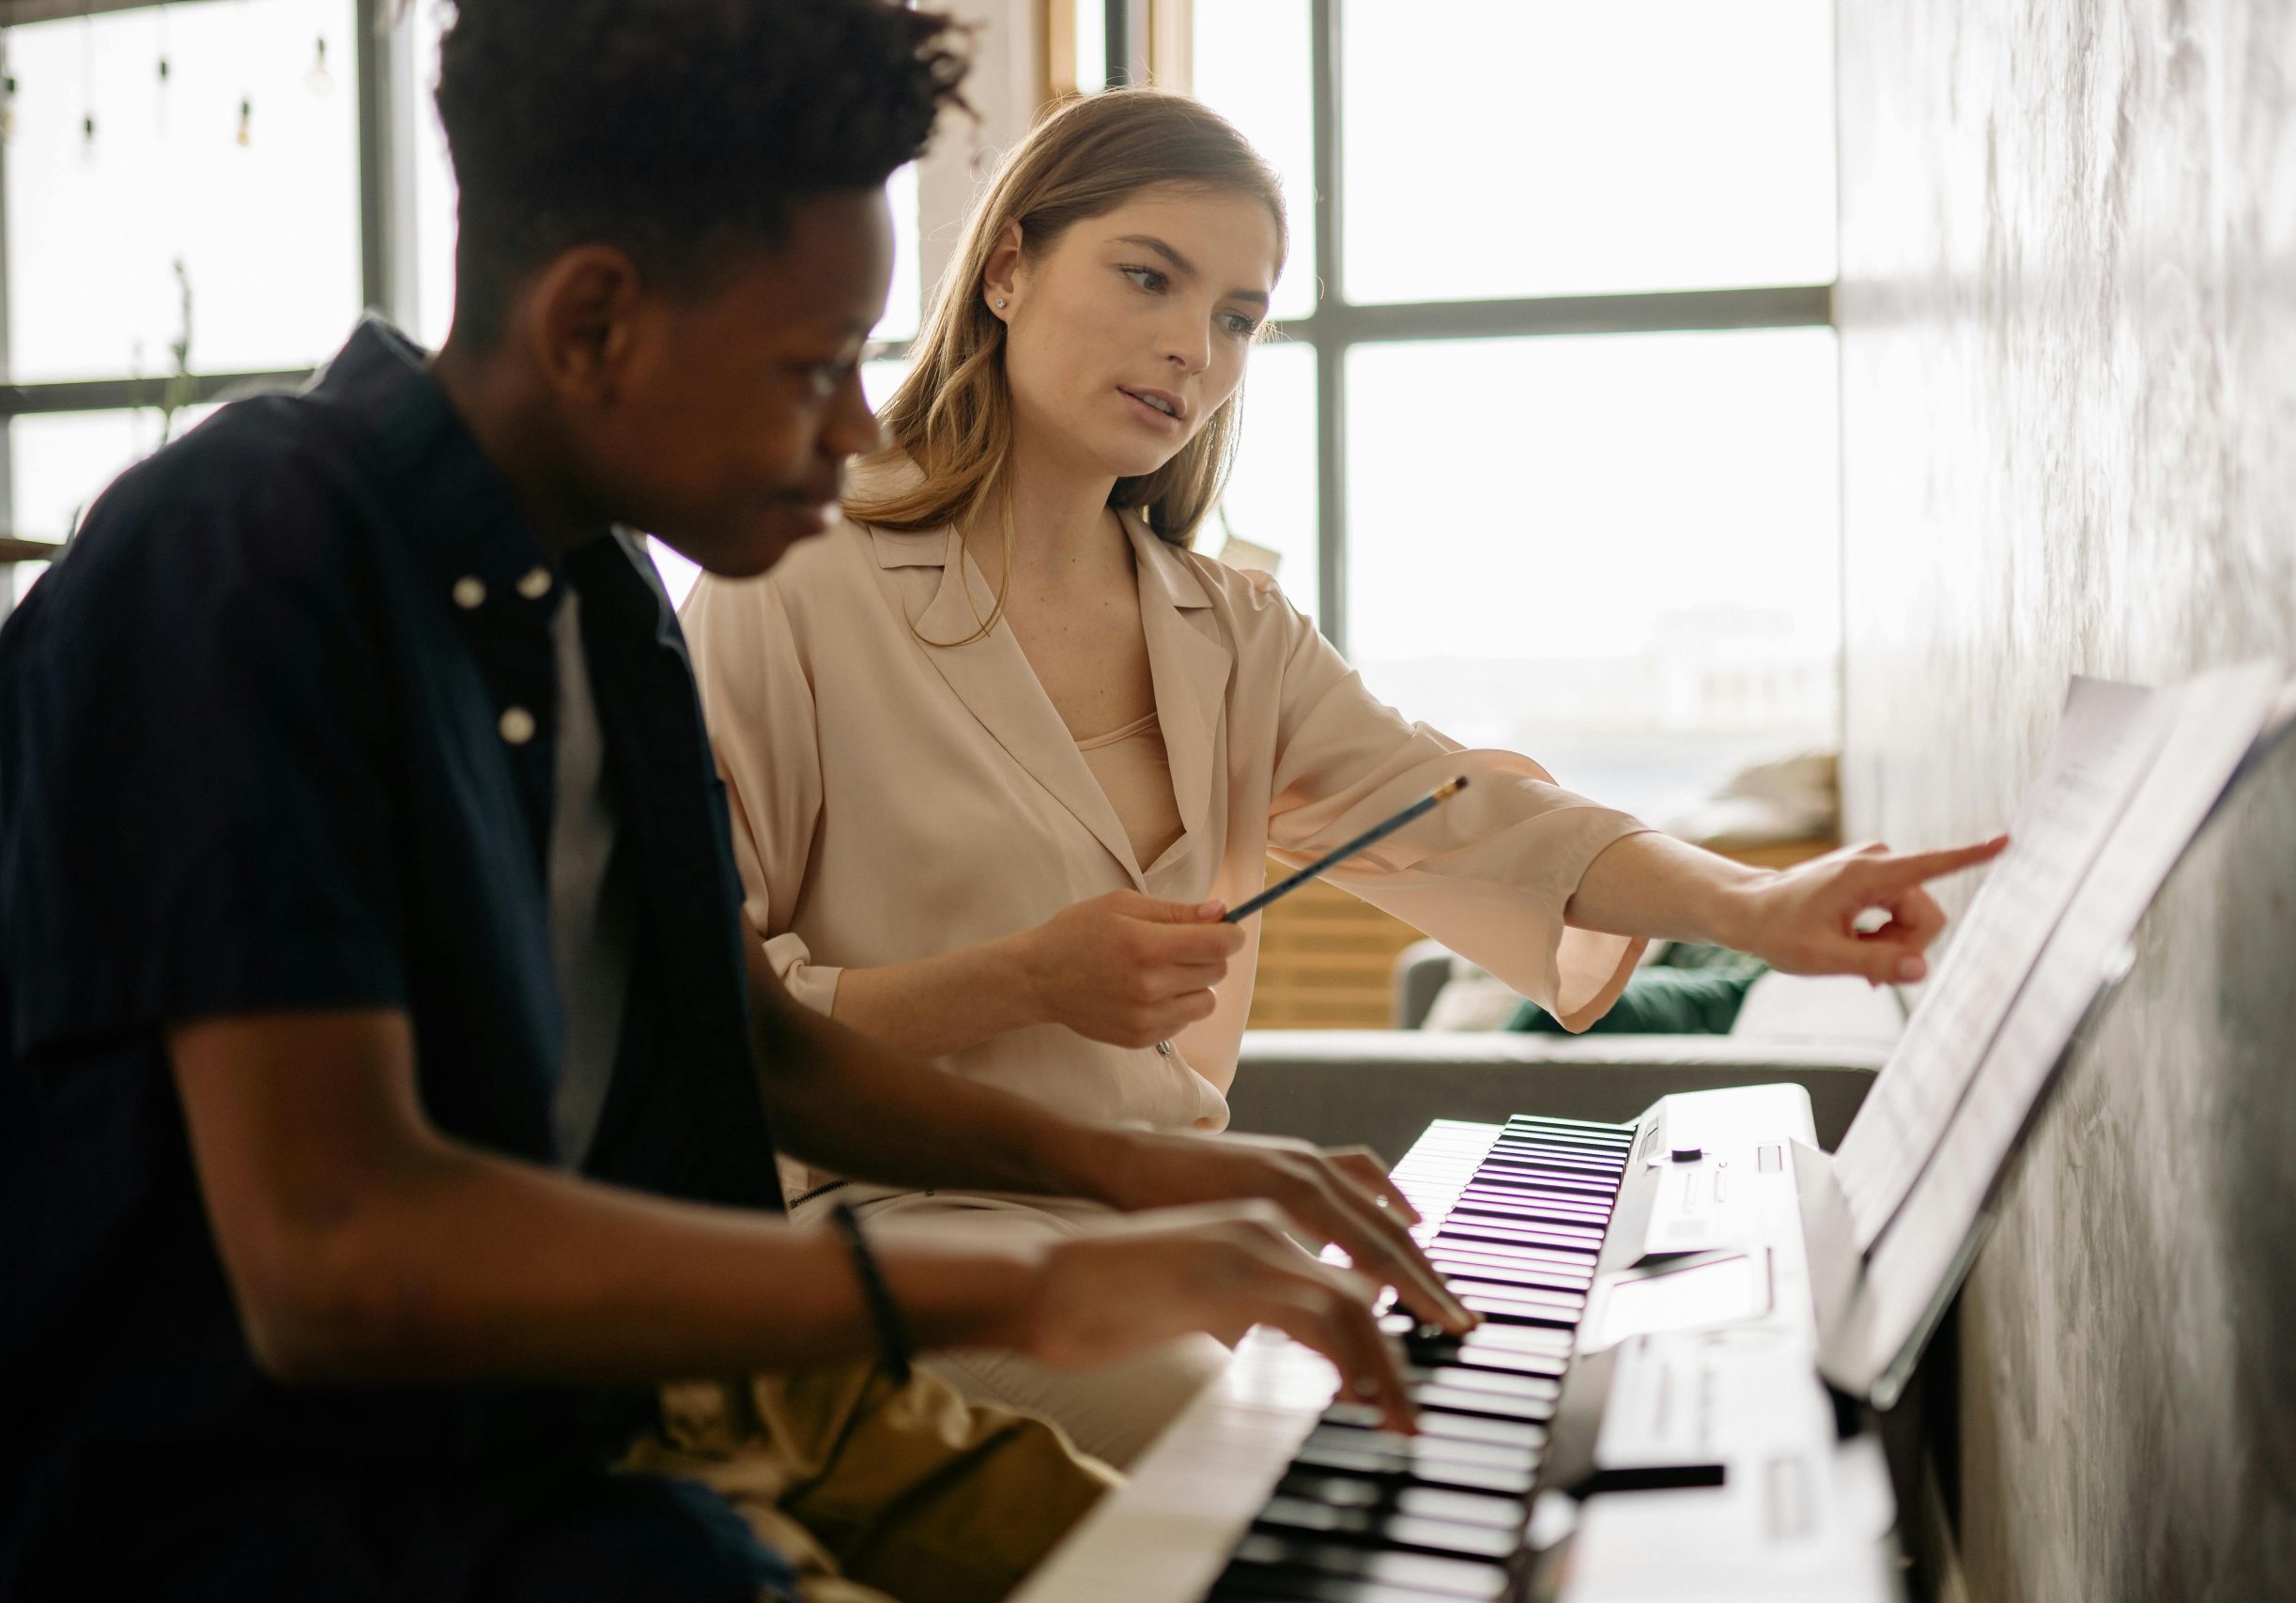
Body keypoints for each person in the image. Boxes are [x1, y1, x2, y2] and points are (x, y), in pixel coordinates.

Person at [0, 9, 1469, 1600]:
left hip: (646, 1402)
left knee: (1299, 1555)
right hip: (311, 1494)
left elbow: (746, 1040)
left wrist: (1142, 1175)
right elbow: (339, 1260)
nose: (855, 430)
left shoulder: (604, 588)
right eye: (815, 365)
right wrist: (1033, 1286)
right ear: (594, 323)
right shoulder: (247, 553)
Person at [682, 87, 2009, 1467]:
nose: (1190, 349)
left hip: (1177, 1234)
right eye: (1148, 277)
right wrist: (1024, 980)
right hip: (894, 1239)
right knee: (1290, 1458)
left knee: (1474, 1422)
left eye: (1238, 316)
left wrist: (1758, 904)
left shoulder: (1234, 630)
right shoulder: (794, 583)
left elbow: (1473, 817)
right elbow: (715, 1028)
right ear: (1008, 268)